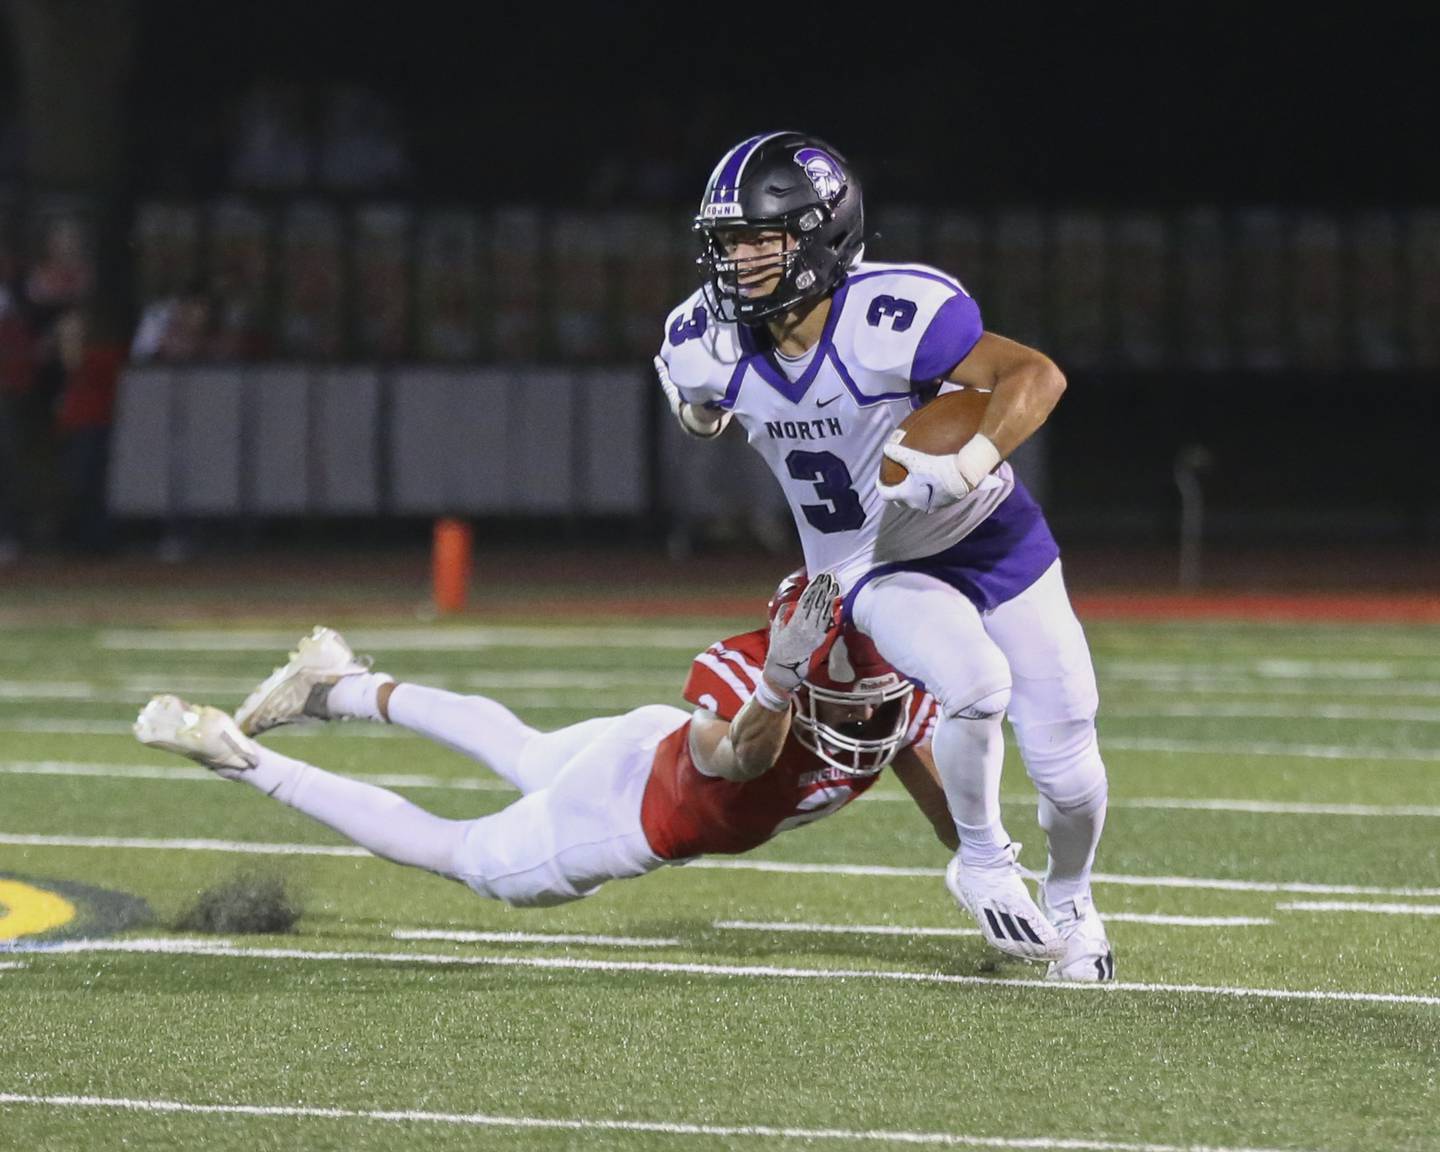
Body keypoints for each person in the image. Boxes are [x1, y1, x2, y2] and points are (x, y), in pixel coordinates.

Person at [654, 131, 1113, 980]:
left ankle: (1075, 899)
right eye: (729, 240)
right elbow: (693, 398)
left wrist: (966, 459)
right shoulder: (702, 340)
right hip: (869, 563)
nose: (739, 259)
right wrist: (700, 411)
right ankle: (980, 858)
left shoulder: (893, 312)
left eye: (763, 237)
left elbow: (1036, 378)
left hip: (992, 536)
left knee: (1070, 762)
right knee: (975, 686)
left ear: (822, 236)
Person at [134, 573, 972, 921]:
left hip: (641, 744)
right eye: (857, 702)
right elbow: (736, 758)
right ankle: (241, 758)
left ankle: (340, 684)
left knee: (524, 748)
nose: (873, 719)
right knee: (460, 852)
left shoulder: (891, 693)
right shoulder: (756, 674)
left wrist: (988, 859)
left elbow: (951, 817)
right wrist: (780, 682)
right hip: (636, 812)